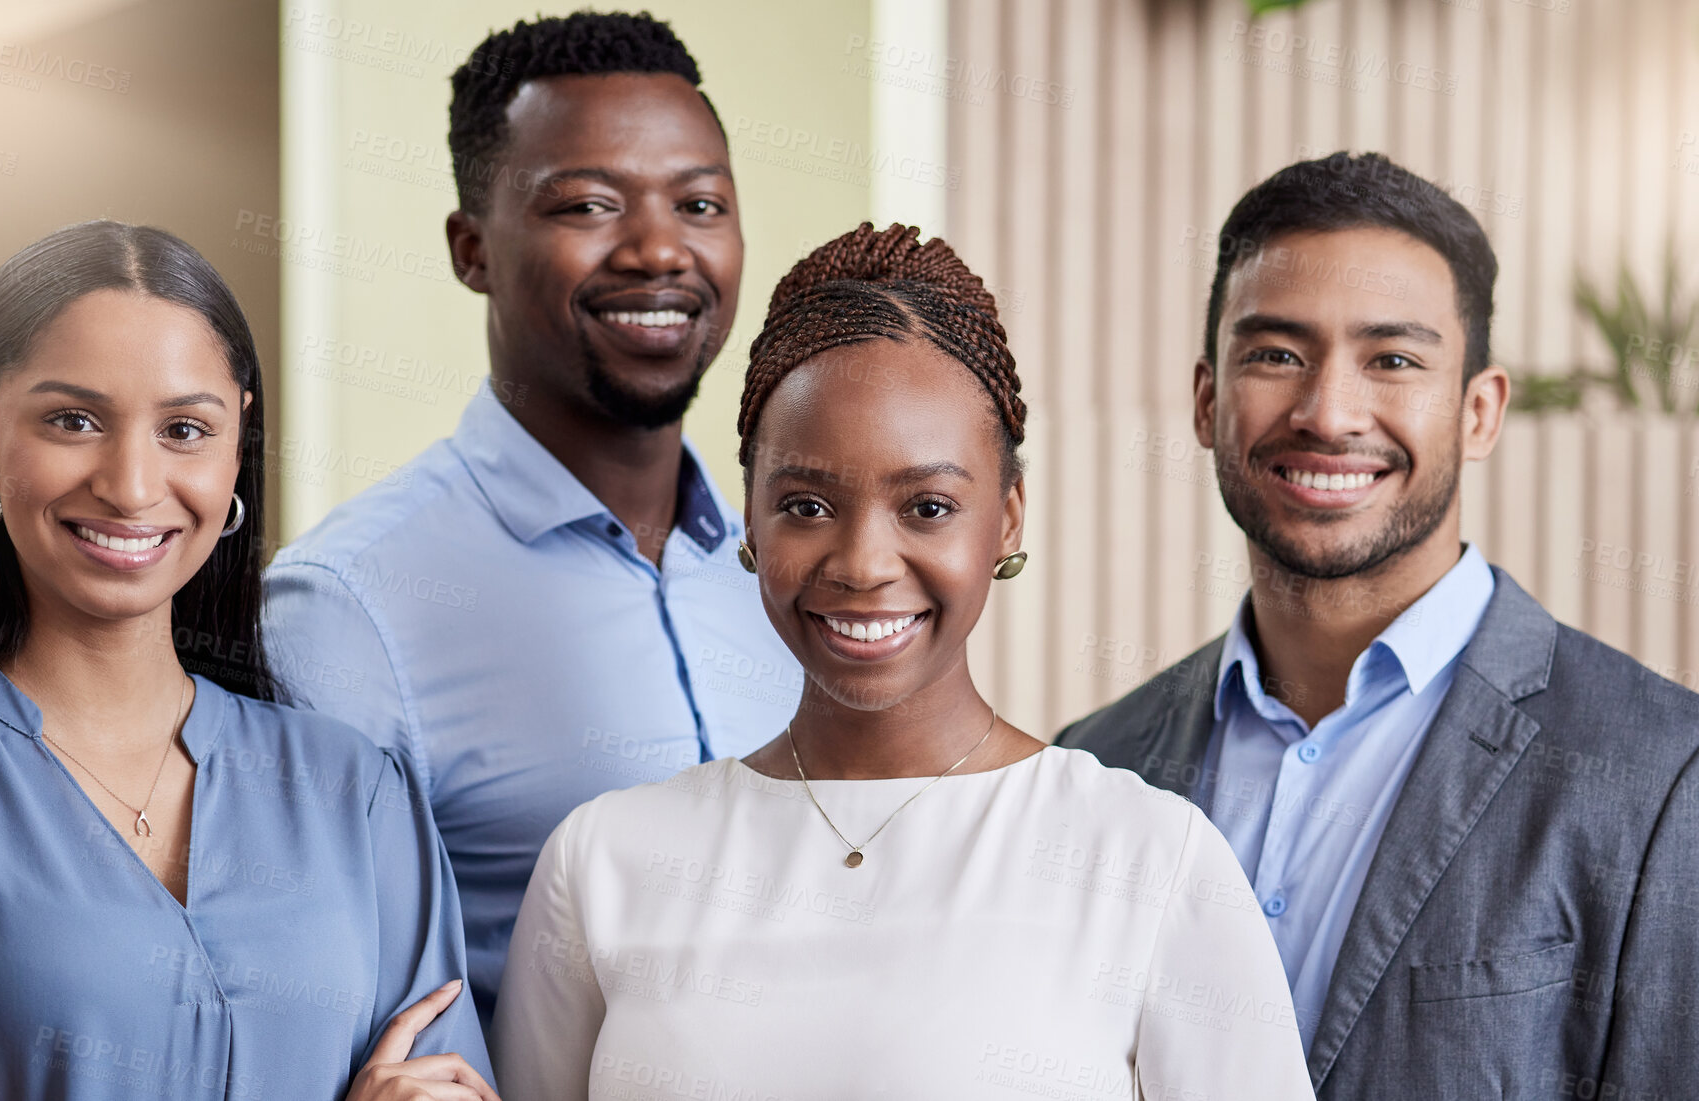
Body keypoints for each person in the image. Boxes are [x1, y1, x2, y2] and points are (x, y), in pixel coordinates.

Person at [486, 223, 1313, 1100]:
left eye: (926, 505)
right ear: (750, 523)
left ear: (1007, 516)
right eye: (806, 503)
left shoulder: (1148, 860)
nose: (863, 563)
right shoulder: (604, 863)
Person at [1058, 152, 1699, 1098]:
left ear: (1479, 412)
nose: (1327, 413)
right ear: (1207, 400)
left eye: (1393, 360)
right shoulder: (1097, 764)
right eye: (1277, 355)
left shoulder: (1661, 777)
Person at [263, 11, 797, 1030]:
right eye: (588, 205)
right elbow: (317, 1005)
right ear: (472, 249)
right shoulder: (347, 608)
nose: (657, 249)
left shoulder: (788, 568)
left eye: (699, 203)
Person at [0, 221, 494, 1101]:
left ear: (237, 443)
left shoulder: (358, 791)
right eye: (73, 419)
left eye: (183, 428)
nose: (132, 485)